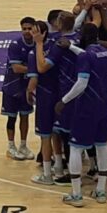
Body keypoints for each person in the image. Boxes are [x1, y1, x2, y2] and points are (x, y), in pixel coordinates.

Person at [54, 23, 107, 207]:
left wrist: (64, 100)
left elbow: (81, 83)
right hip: (104, 105)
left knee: (76, 147)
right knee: (102, 146)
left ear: (84, 37)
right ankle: (101, 191)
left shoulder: (85, 56)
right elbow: (87, 56)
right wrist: (70, 47)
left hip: (87, 107)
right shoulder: (103, 52)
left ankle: (77, 195)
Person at [33, 12, 79, 185]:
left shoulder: (59, 45)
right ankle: (64, 168)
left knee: (59, 133)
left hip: (63, 92)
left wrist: (38, 44)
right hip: (81, 90)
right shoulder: (80, 37)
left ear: (59, 24)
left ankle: (60, 175)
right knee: (64, 133)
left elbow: (42, 67)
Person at [27, 20, 59, 185]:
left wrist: (28, 92)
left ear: (43, 33)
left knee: (45, 136)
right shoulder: (56, 46)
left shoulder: (34, 53)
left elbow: (35, 77)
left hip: (45, 98)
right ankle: (59, 169)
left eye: (34, 32)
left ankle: (47, 174)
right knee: (57, 133)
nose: (31, 35)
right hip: (60, 94)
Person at [1, 17, 36, 160]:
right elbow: (16, 68)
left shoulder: (37, 44)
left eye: (29, 28)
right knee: (11, 117)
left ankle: (23, 145)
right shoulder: (15, 45)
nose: (27, 31)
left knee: (25, 116)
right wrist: (35, 69)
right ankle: (10, 146)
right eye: (24, 29)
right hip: (12, 86)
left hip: (26, 87)